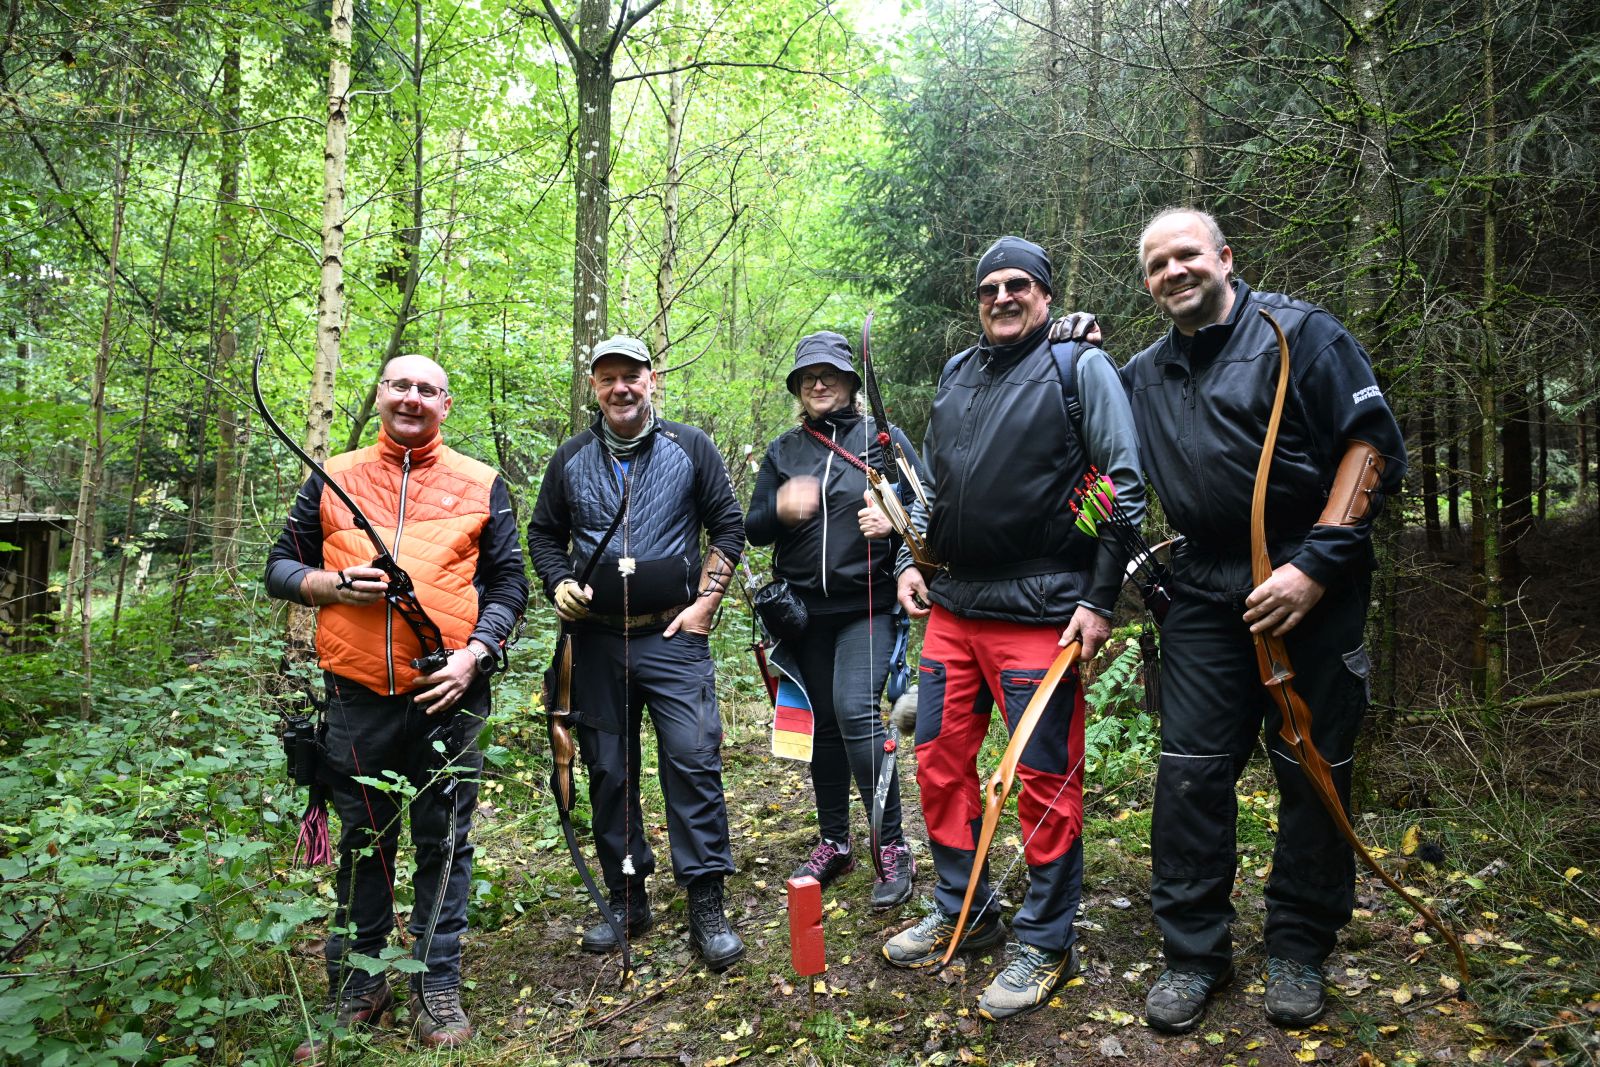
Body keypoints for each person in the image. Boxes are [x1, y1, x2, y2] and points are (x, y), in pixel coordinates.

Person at [1058, 207, 1406, 1033]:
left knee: (1313, 772)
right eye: (1156, 265)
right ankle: (1193, 954)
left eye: (1186, 255)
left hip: (1311, 585)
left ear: (1224, 257)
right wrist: (1067, 354)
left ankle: (1298, 946)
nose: (1172, 272)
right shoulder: (1141, 374)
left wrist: (1313, 567)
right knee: (1189, 775)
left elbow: (1371, 447)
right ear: (1147, 285)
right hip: (1202, 594)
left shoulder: (1301, 334)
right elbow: (1090, 448)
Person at [882, 237, 1145, 1022]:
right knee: (938, 763)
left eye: (1018, 284)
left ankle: (1047, 941)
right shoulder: (957, 373)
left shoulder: (1078, 367)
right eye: (989, 287)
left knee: (1043, 779)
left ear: (1045, 294)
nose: (1002, 296)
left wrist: (1099, 597)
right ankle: (964, 908)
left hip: (1042, 610)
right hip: (953, 610)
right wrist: (908, 559)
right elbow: (932, 485)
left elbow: (1122, 484)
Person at [265, 353, 529, 1058]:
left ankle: (435, 983)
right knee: (363, 840)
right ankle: (360, 984)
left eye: (426, 389)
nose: (411, 397)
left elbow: (510, 584)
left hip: (449, 691)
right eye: (399, 385)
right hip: (355, 692)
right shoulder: (334, 476)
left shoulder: (481, 482)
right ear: (380, 394)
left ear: (445, 404)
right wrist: (328, 584)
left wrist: (477, 654)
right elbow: (279, 567)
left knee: (444, 839)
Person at [526, 335, 747, 972]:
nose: (620, 388)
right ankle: (627, 898)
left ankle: (706, 903)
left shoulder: (690, 447)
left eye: (631, 375)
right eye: (607, 378)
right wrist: (557, 582)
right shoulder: (571, 458)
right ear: (594, 386)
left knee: (693, 761)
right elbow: (544, 534)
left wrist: (706, 602)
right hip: (595, 640)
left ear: (652, 380)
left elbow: (728, 525)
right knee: (608, 772)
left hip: (672, 637)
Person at [745, 331, 926, 910]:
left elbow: (926, 502)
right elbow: (752, 527)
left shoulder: (882, 439)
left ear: (850, 381)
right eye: (808, 377)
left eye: (829, 375)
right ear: (798, 388)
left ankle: (892, 845)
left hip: (866, 605)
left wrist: (892, 520)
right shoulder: (784, 450)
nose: (818, 384)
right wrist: (780, 507)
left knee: (854, 712)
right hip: (801, 614)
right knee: (819, 724)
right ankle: (835, 841)